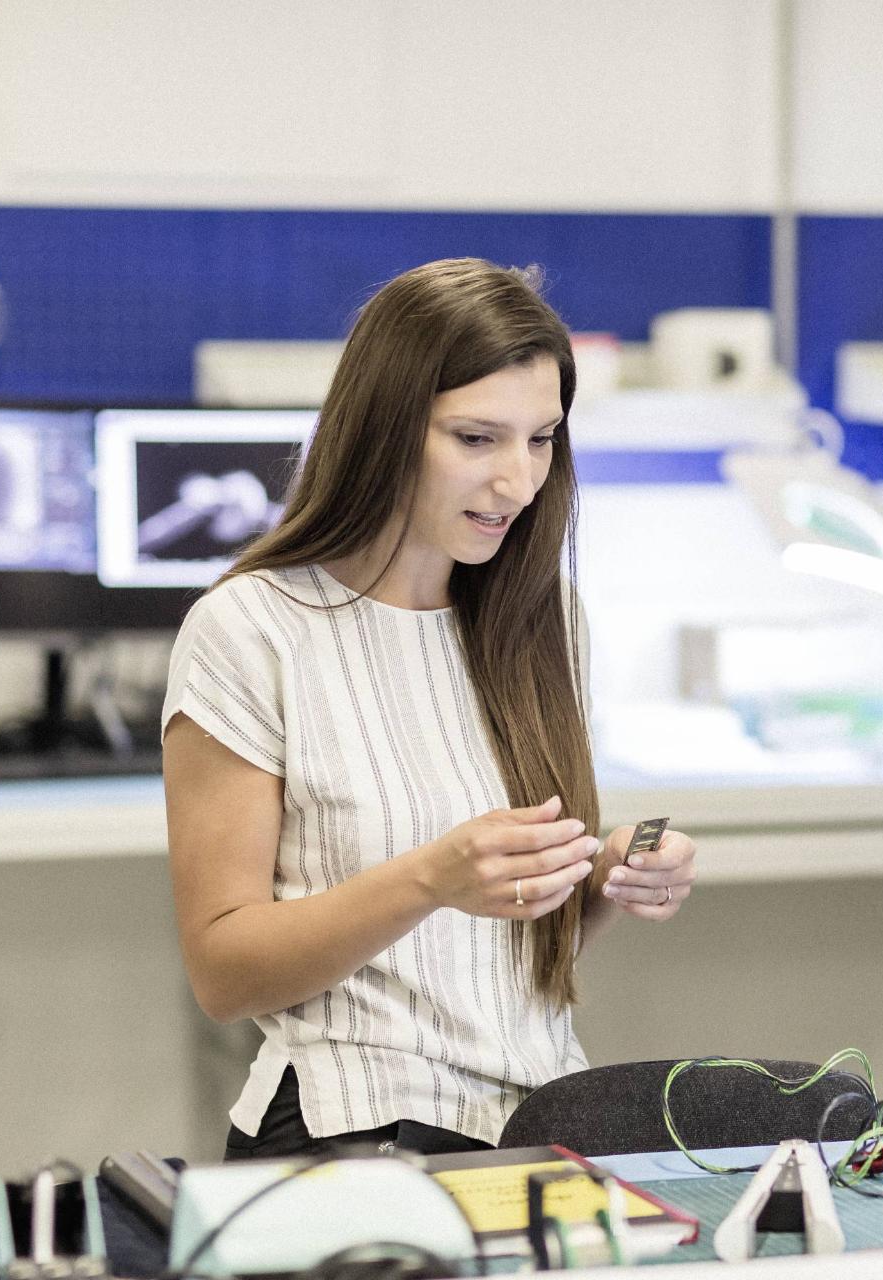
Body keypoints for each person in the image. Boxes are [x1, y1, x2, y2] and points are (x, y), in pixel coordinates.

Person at [161, 258, 698, 1159]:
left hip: (538, 1123)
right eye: (477, 439)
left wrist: (602, 881)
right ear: (384, 429)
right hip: (352, 1127)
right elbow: (224, 971)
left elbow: (507, 961)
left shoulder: (542, 620)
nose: (518, 483)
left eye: (542, 440)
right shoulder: (252, 628)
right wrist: (427, 880)